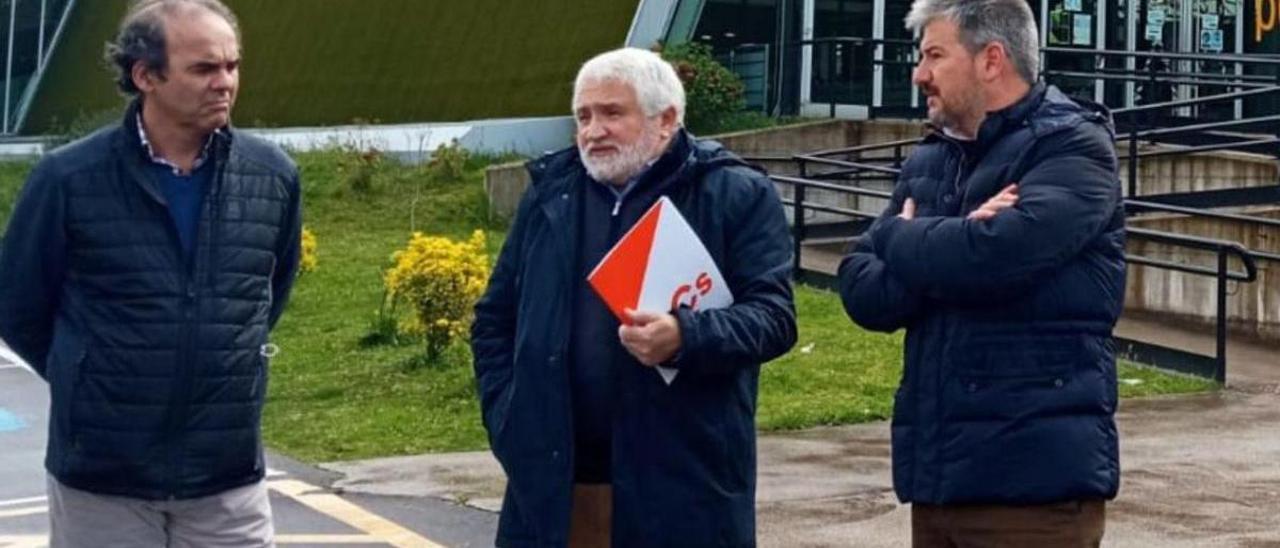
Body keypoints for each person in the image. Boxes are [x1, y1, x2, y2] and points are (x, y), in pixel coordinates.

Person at [0, 1, 301, 545]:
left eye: (232, 66)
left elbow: (265, 296)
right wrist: (87, 374)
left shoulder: (272, 177)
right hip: (102, 482)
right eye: (204, 68)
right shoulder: (67, 181)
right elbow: (18, 307)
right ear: (146, 76)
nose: (225, 83)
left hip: (225, 478)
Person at [471, 47, 796, 548]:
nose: (592, 131)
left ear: (665, 120)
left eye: (611, 113)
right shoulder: (550, 196)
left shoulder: (735, 194)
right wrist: (509, 418)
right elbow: (495, 319)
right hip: (555, 488)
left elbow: (774, 318)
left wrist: (686, 335)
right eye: (583, 115)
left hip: (681, 489)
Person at [838, 1, 1125, 546]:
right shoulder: (931, 159)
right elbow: (860, 288)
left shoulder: (1071, 147)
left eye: (934, 56)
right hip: (939, 487)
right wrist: (955, 239)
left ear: (991, 59)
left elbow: (994, 258)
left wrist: (902, 239)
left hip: (1032, 499)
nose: (919, 74)